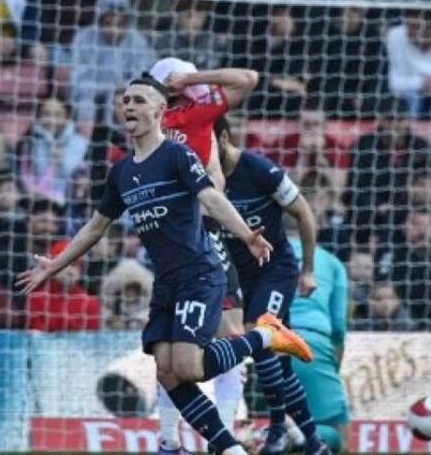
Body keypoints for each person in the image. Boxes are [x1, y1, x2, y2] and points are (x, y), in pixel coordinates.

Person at [17, 75, 313, 455]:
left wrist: (246, 235)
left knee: (190, 367)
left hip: (199, 273)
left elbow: (211, 198)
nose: (129, 107)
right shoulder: (122, 172)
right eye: (125, 101)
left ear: (160, 111)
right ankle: (229, 449)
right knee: (168, 373)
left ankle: (266, 337)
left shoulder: (177, 154)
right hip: (167, 281)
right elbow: (94, 228)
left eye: (139, 100)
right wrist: (53, 265)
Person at [150, 57, 262, 455]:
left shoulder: (159, 126)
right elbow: (248, 78)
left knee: (169, 346)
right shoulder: (192, 117)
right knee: (228, 335)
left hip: (171, 240)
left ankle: (169, 440)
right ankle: (223, 433)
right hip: (200, 234)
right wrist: (195, 79)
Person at [214, 116, 329, 455]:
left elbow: (304, 213)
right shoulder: (205, 178)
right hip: (239, 279)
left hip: (275, 270)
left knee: (258, 333)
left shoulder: (260, 170)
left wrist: (308, 270)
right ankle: (314, 442)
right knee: (279, 364)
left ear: (222, 138)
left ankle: (277, 428)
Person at [287, 225, 350, 454]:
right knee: (339, 434)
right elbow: (339, 328)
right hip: (312, 344)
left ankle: (283, 433)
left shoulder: (262, 254)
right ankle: (295, 434)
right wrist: (332, 367)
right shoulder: (332, 263)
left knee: (271, 423)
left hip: (266, 345)